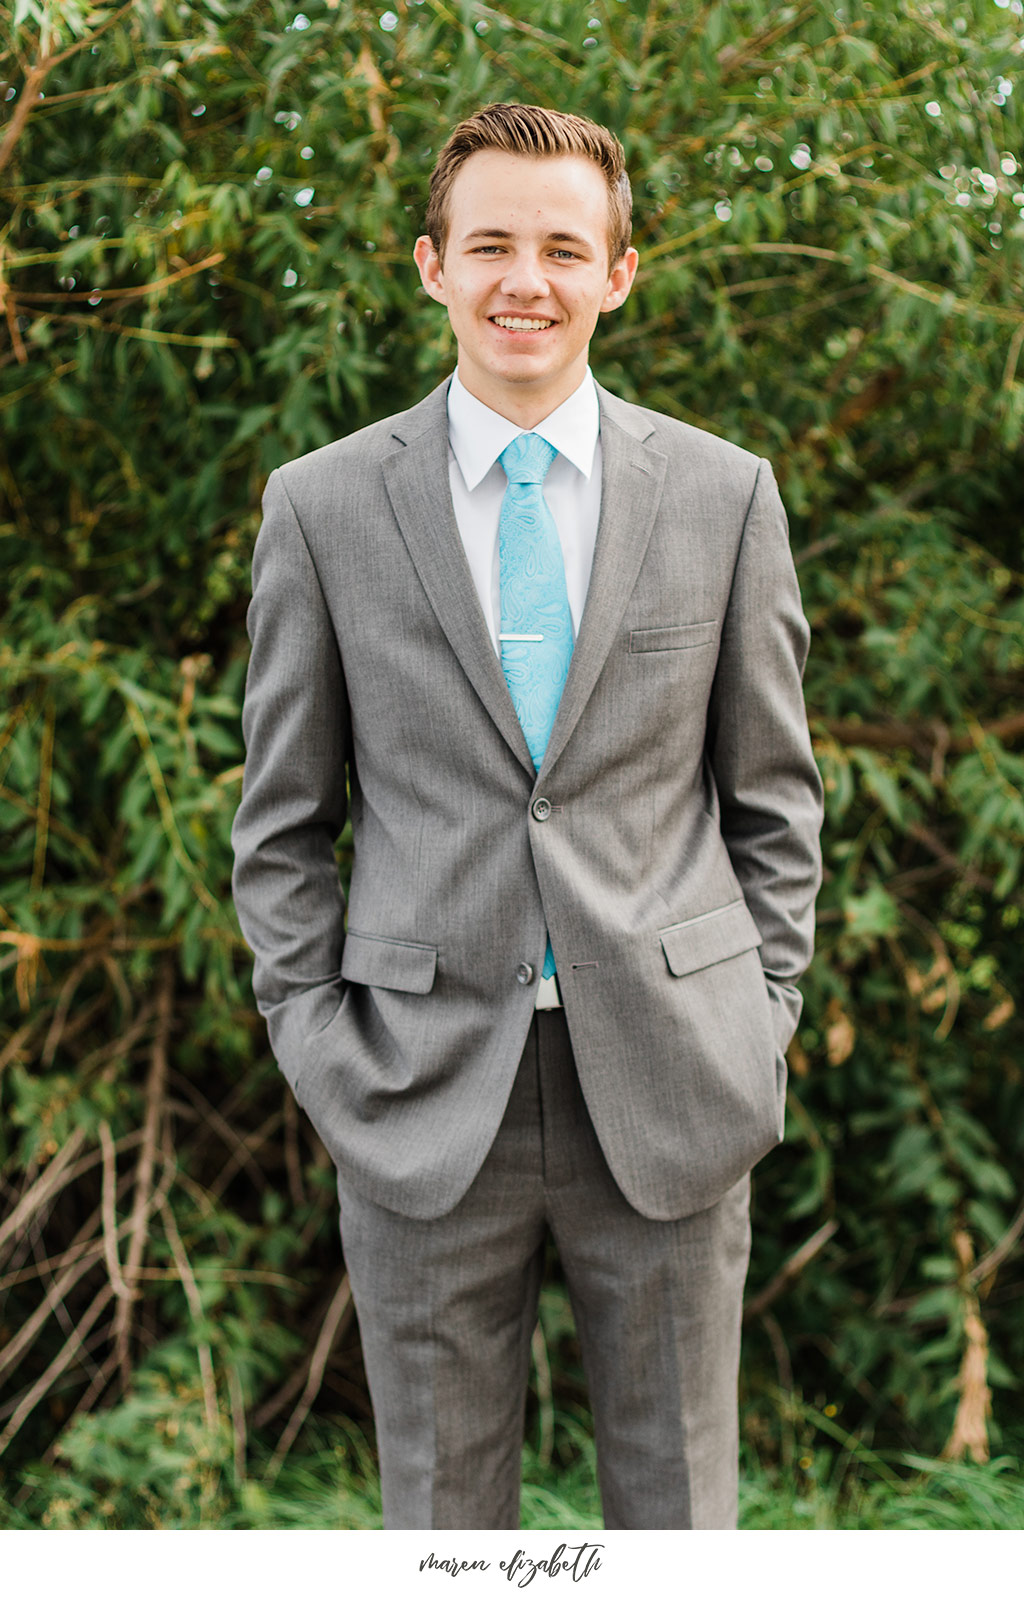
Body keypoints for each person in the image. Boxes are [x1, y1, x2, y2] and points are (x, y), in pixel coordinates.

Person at [231, 102, 823, 1531]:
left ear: (619, 274)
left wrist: (762, 1018)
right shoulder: (321, 510)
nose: (526, 279)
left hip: (675, 1078)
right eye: (490, 241)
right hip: (418, 1089)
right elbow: (282, 826)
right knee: (442, 1521)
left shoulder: (725, 498)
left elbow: (775, 803)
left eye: (565, 246)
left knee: (680, 1520)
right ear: (429, 264)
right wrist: (323, 1051)